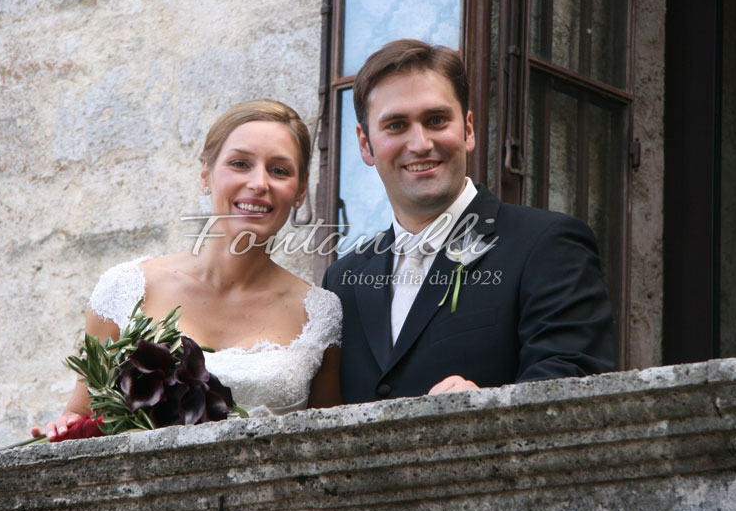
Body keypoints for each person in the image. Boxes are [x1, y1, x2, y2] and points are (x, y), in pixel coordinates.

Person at [322, 39, 615, 404]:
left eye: (436, 120)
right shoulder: (341, 280)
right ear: (365, 145)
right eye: (396, 125)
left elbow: (576, 388)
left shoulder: (548, 245)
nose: (420, 143)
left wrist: (485, 408)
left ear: (468, 129)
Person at [35, 100, 342, 441]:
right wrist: (64, 428)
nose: (259, 183)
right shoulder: (127, 288)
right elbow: (83, 415)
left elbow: (326, 442)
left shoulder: (320, 314)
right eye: (240, 164)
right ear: (205, 176)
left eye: (280, 170)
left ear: (300, 191)